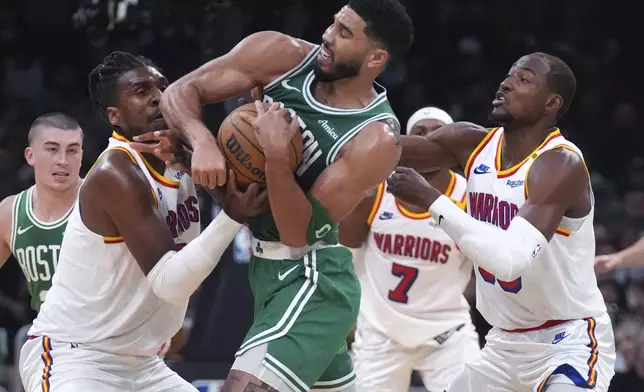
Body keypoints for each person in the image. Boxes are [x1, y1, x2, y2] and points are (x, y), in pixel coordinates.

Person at [152, 1, 414, 390]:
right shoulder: (279, 54)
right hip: (265, 270)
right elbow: (180, 90)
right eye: (333, 23)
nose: (327, 35)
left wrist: (276, 157)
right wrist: (200, 141)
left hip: (313, 277)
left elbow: (299, 233)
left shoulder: (375, 138)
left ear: (376, 57)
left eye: (344, 33)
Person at [18, 51, 267, 392]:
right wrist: (231, 217)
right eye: (140, 91)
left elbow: (243, 206)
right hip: (76, 358)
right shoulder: (115, 172)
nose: (157, 98)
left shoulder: (180, 158)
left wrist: (204, 166)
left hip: (143, 363)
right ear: (114, 116)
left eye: (162, 87)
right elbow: (170, 281)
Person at [387, 52, 616, 392]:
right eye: (509, 75)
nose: (506, 83)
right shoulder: (470, 143)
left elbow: (509, 261)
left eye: (524, 79)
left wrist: (431, 200)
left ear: (552, 102)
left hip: (566, 342)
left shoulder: (560, 165)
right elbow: (384, 149)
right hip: (502, 346)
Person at [339, 107, 479, 392]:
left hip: (447, 334)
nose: (429, 140)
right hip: (381, 334)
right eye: (420, 133)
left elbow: (489, 265)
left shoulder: (470, 197)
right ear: (406, 142)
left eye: (437, 133)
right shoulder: (373, 192)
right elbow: (345, 261)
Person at [0, 113, 83, 312]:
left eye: (72, 151)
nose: (63, 160)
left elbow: (148, 269)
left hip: (107, 335)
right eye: (52, 150)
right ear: (30, 156)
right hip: (47, 332)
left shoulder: (103, 200)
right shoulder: (10, 212)